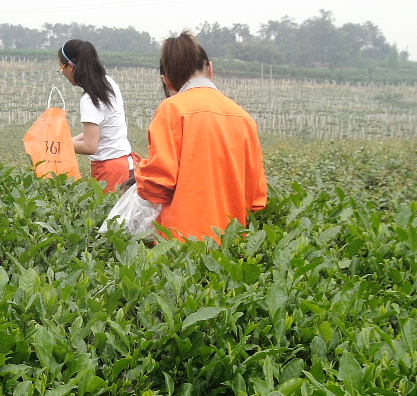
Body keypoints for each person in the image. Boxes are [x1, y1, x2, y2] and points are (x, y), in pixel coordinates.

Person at [135, 31, 267, 242]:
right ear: (210, 69)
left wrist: (140, 173)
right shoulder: (243, 118)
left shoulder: (171, 110)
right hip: (230, 243)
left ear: (167, 81)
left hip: (182, 244)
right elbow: (256, 200)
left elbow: (157, 186)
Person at [57, 39, 137, 193]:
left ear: (70, 66)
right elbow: (101, 129)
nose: (64, 74)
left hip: (110, 170)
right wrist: (68, 141)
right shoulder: (107, 83)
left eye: (62, 68)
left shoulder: (89, 99)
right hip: (125, 164)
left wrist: (58, 145)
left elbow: (90, 146)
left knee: (108, 208)